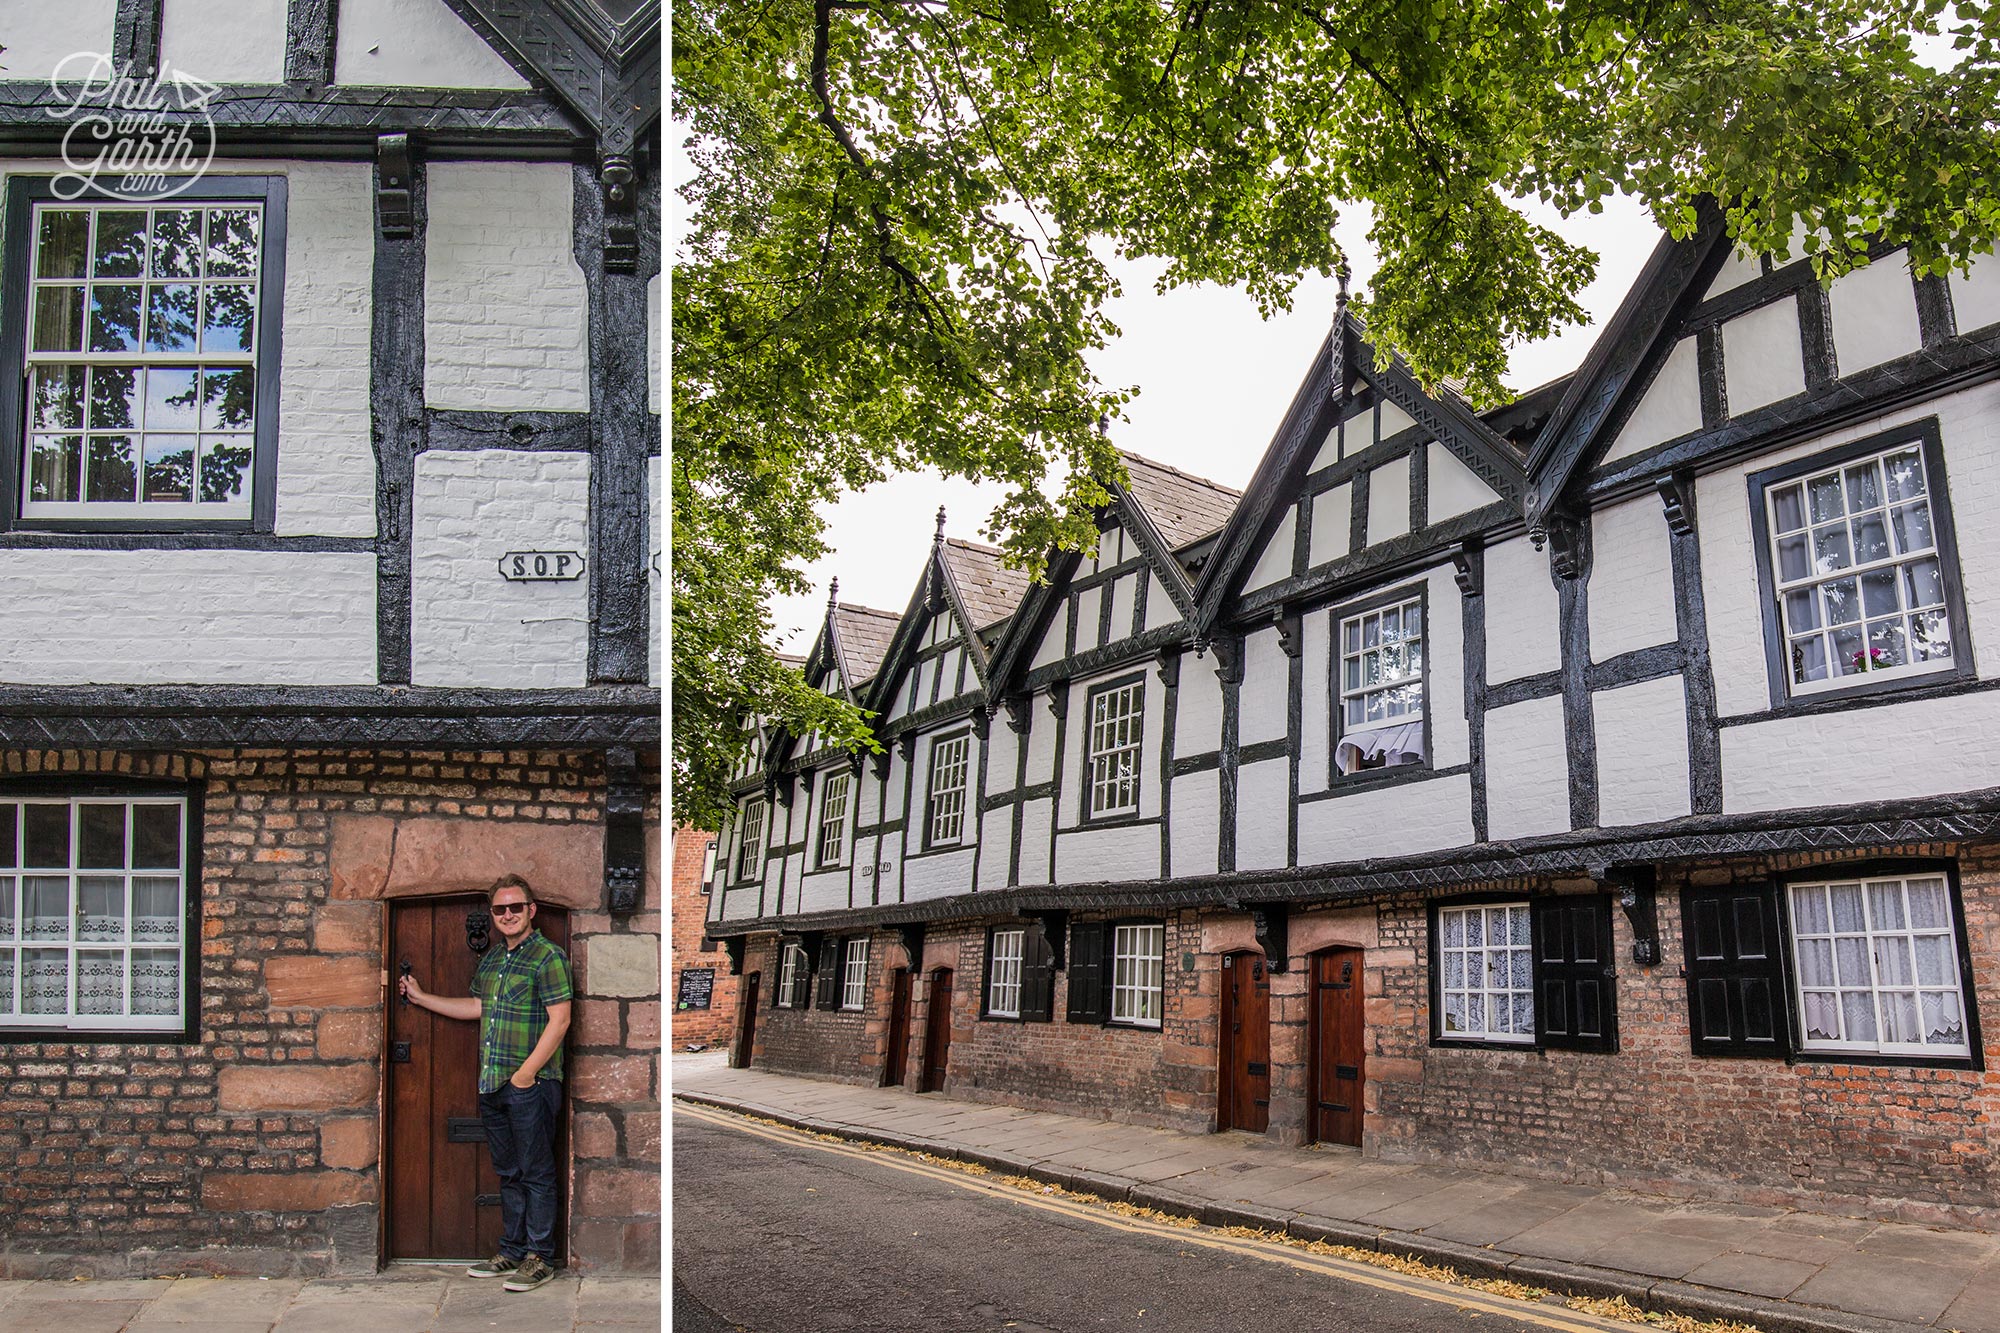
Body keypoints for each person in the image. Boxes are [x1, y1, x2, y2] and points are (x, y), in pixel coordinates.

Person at [401, 875, 574, 1292]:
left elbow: (560, 1019)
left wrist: (526, 1074)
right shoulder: (494, 961)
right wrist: (423, 998)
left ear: (531, 910)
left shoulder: (547, 957)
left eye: (516, 907)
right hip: (492, 1084)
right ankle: (512, 1250)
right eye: (500, 909)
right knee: (509, 1172)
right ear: (493, 914)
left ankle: (539, 1257)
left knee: (536, 1172)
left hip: (530, 1085)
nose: (508, 915)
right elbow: (477, 1007)